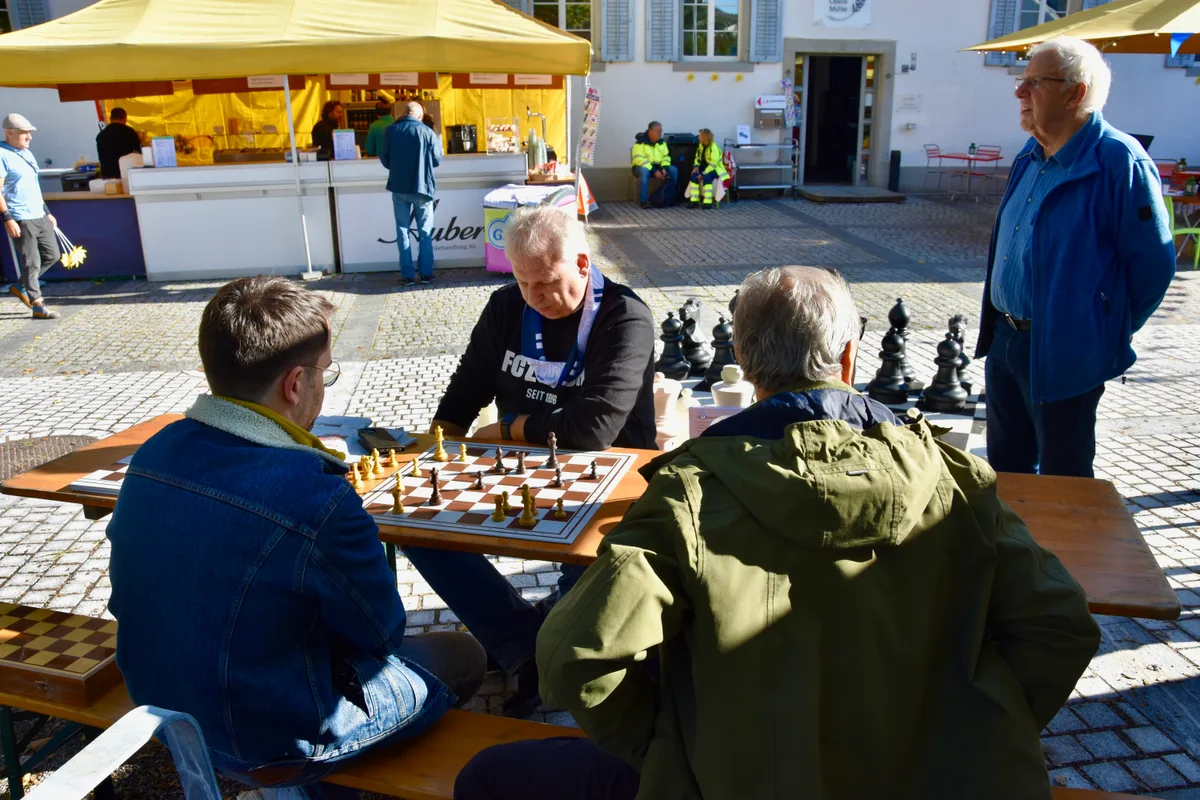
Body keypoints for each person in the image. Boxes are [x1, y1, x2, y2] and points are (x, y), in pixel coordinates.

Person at [455, 266, 1101, 800]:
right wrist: (974, 726)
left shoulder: (689, 494)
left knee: (485, 779)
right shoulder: (960, 481)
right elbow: (1062, 626)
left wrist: (669, 745)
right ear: (850, 357)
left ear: (742, 361)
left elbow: (570, 655)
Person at [107, 276, 486, 799]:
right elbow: (381, 635)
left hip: (160, 707)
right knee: (463, 654)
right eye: (325, 371)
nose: (323, 384)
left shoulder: (154, 451)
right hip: (270, 739)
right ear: (293, 384)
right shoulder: (318, 495)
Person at [409, 205, 656, 717]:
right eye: (522, 282)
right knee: (415, 529)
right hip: (524, 474)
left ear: (583, 264)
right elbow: (466, 389)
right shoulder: (506, 307)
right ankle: (523, 646)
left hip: (609, 483)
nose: (534, 297)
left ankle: (542, 637)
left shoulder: (626, 317)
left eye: (545, 282)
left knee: (581, 583)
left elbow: (592, 429)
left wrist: (508, 430)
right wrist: (434, 450)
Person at [977, 36, 1175, 479]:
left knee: (1064, 478)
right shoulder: (1029, 157)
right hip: (1007, 341)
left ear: (1076, 92)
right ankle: (1012, 549)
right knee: (1006, 472)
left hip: (1065, 349)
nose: (1019, 93)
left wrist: (1098, 331)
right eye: (1020, 81)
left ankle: (1059, 552)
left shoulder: (1119, 163)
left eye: (1034, 83)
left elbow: (1154, 267)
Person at [2, 113, 61, 320]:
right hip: (20, 216)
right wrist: (7, 218)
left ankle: (21, 286)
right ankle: (38, 304)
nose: (29, 137)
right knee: (31, 261)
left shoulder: (27, 153)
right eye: (25, 133)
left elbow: (34, 186)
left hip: (38, 213)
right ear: (10, 133)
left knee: (53, 255)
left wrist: (47, 212)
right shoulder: (2, 154)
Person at [379, 101, 443, 286]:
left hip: (399, 187)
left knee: (402, 230)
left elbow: (385, 159)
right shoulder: (427, 132)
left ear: (404, 114)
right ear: (420, 115)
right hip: (422, 187)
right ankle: (425, 273)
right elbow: (437, 159)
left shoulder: (391, 131)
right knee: (425, 232)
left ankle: (407, 274)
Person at [630, 121, 675, 209]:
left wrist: (664, 168)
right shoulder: (640, 143)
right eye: (658, 131)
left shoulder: (662, 143)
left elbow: (666, 157)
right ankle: (644, 200)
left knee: (673, 170)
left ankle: (667, 198)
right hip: (642, 167)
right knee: (644, 171)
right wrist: (654, 171)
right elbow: (639, 160)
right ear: (650, 131)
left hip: (659, 167)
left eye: (661, 131)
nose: (660, 133)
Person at [95, 106, 142, 179]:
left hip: (107, 175)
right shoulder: (129, 132)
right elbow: (137, 154)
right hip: (126, 175)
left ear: (110, 118)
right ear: (125, 118)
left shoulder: (101, 135)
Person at [687, 128, 728, 209]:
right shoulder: (700, 146)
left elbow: (713, 164)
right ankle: (694, 200)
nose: (698, 137)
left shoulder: (714, 147)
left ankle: (708, 202)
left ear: (704, 137)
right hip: (704, 167)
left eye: (700, 136)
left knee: (707, 177)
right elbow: (697, 158)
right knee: (693, 176)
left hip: (715, 169)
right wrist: (695, 167)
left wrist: (702, 173)